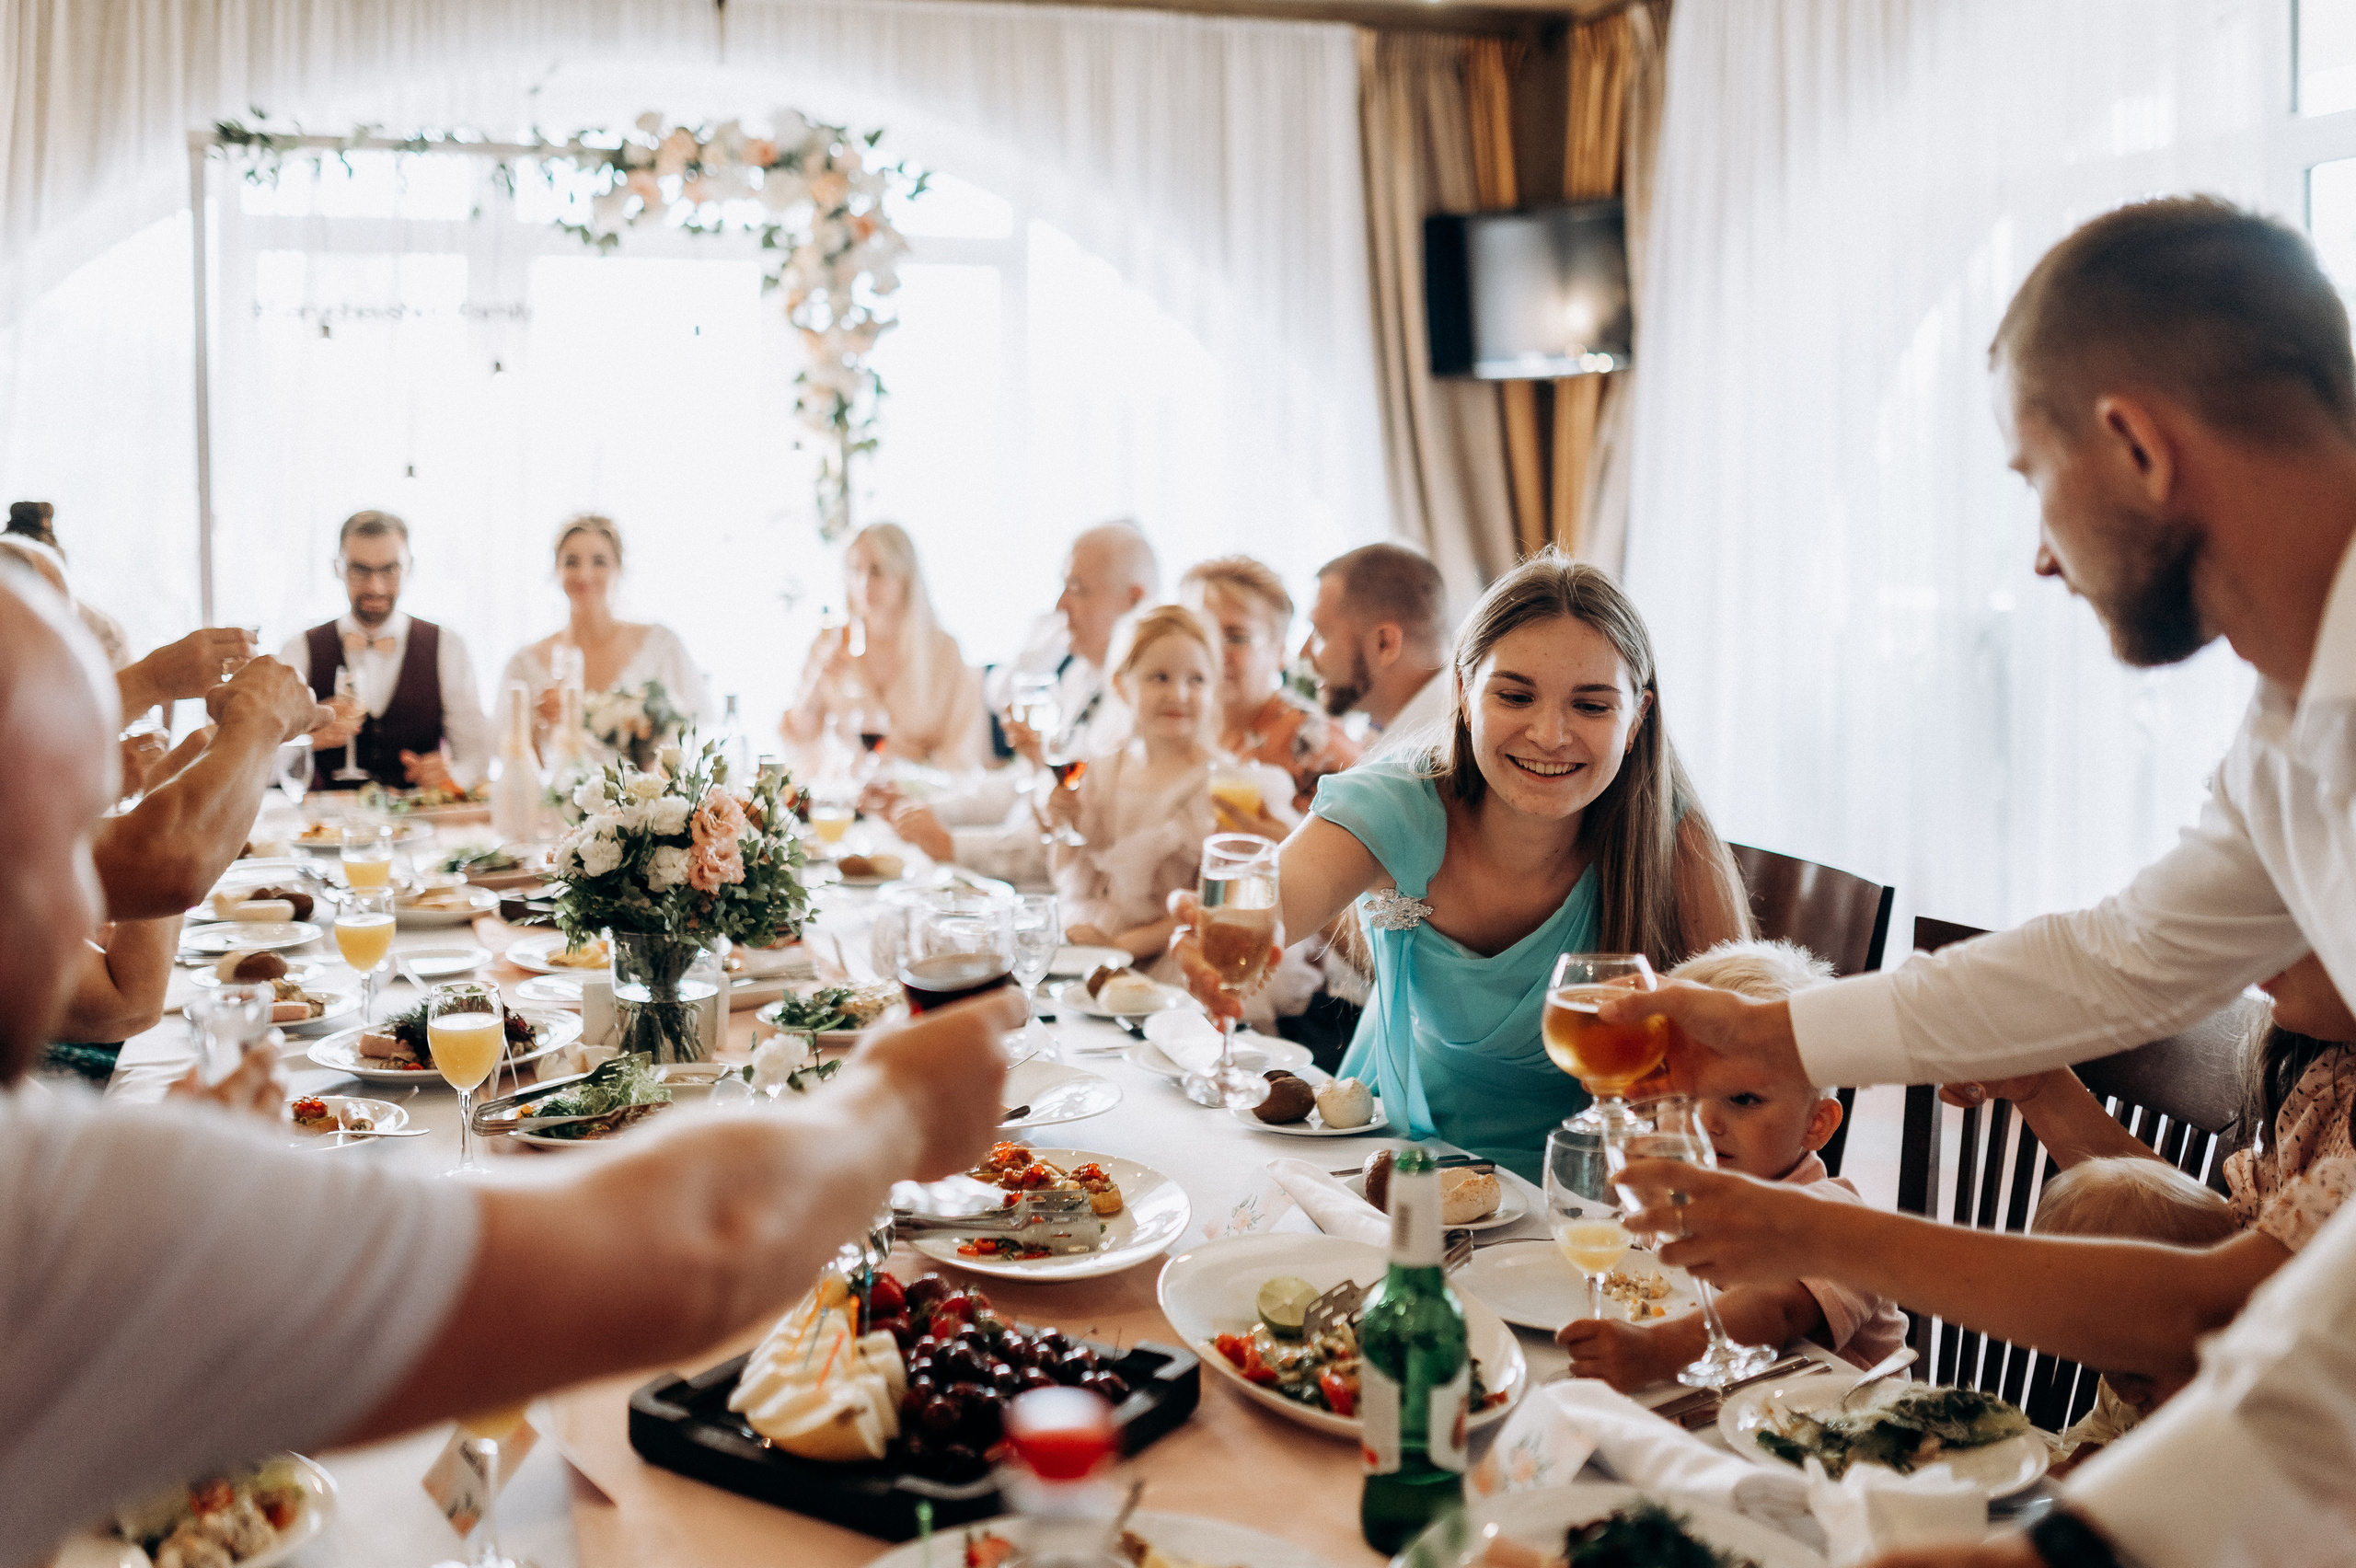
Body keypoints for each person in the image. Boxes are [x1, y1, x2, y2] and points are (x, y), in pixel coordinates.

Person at [1600, 199, 2356, 1568]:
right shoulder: (2292, 727)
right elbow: (2119, 959)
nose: (2040, 554)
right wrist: (1770, 1032)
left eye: (2028, 474)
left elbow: (2264, 1305)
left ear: (2133, 442)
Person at [0, 572, 1021, 1565]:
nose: (92, 900)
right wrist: (895, 1108)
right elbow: (696, 1245)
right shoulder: (46, 1211)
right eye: (68, 843)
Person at [1173, 549, 1750, 1181]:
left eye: (1591, 706)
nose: (1550, 734)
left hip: (1583, 1196)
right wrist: (1214, 941)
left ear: (1636, 718)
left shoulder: (1673, 838)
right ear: (1465, 693)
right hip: (1387, 1165)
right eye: (1515, 695)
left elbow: (1744, 1041)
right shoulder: (1394, 801)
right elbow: (1274, 905)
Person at [1557, 940, 1906, 1390]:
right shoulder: (1673, 1196)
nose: (1704, 1123)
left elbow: (1773, 1309)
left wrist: (1659, 1351)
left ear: (1816, 1124)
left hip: (1842, 1437)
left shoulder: (1836, 1219)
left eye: (1743, 1099)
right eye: (1685, 1096)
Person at [1046, 604, 1311, 1026]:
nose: (1179, 694)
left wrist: (1118, 945)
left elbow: (1209, 904)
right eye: (1160, 678)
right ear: (1121, 685)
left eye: (1197, 680)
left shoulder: (1220, 783)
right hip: (1107, 933)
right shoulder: (1103, 769)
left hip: (1175, 952)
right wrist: (1064, 821)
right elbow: (1079, 870)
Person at [873, 522, 1157, 884]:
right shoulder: (1078, 678)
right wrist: (922, 808)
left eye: (1078, 589)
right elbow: (1021, 784)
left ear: (1134, 602)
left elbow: (1074, 842)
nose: (1060, 606)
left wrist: (952, 846)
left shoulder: (1141, 712)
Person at [2035, 1159, 2240, 1476]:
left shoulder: (2224, 1415)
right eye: (2107, 1368)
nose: (2128, 1395)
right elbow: (2097, 1433)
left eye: (2138, 1374)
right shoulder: (2120, 1383)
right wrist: (2076, 1459)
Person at [278, 509, 491, 791]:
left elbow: (477, 756)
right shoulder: (299, 650)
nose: (375, 587)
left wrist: (450, 774)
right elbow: (261, 764)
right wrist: (305, 738)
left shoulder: (447, 647)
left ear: (410, 567)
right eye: (360, 570)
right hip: (324, 827)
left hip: (418, 821)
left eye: (390, 570)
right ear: (338, 568)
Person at [499, 514, 709, 764]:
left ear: (618, 570)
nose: (584, 575)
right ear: (556, 571)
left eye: (599, 562)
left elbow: (696, 733)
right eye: (571, 562)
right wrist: (535, 726)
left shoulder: (661, 646)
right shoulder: (524, 662)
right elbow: (507, 760)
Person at [780, 522, 981, 774]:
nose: (863, 583)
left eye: (877, 571)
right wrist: (819, 680)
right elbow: (800, 736)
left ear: (905, 577)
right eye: (855, 570)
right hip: (848, 792)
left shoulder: (943, 651)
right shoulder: (833, 642)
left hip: (915, 799)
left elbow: (960, 754)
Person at [1179, 556, 1358, 813]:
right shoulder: (1180, 729)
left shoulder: (1316, 743)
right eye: (1199, 634)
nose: (1213, 653)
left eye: (1236, 637)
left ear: (1280, 653)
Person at [1304, 542, 1449, 760]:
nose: (1304, 654)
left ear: (1385, 643)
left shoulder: (1442, 758)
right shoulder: (1388, 740)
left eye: (1321, 634)